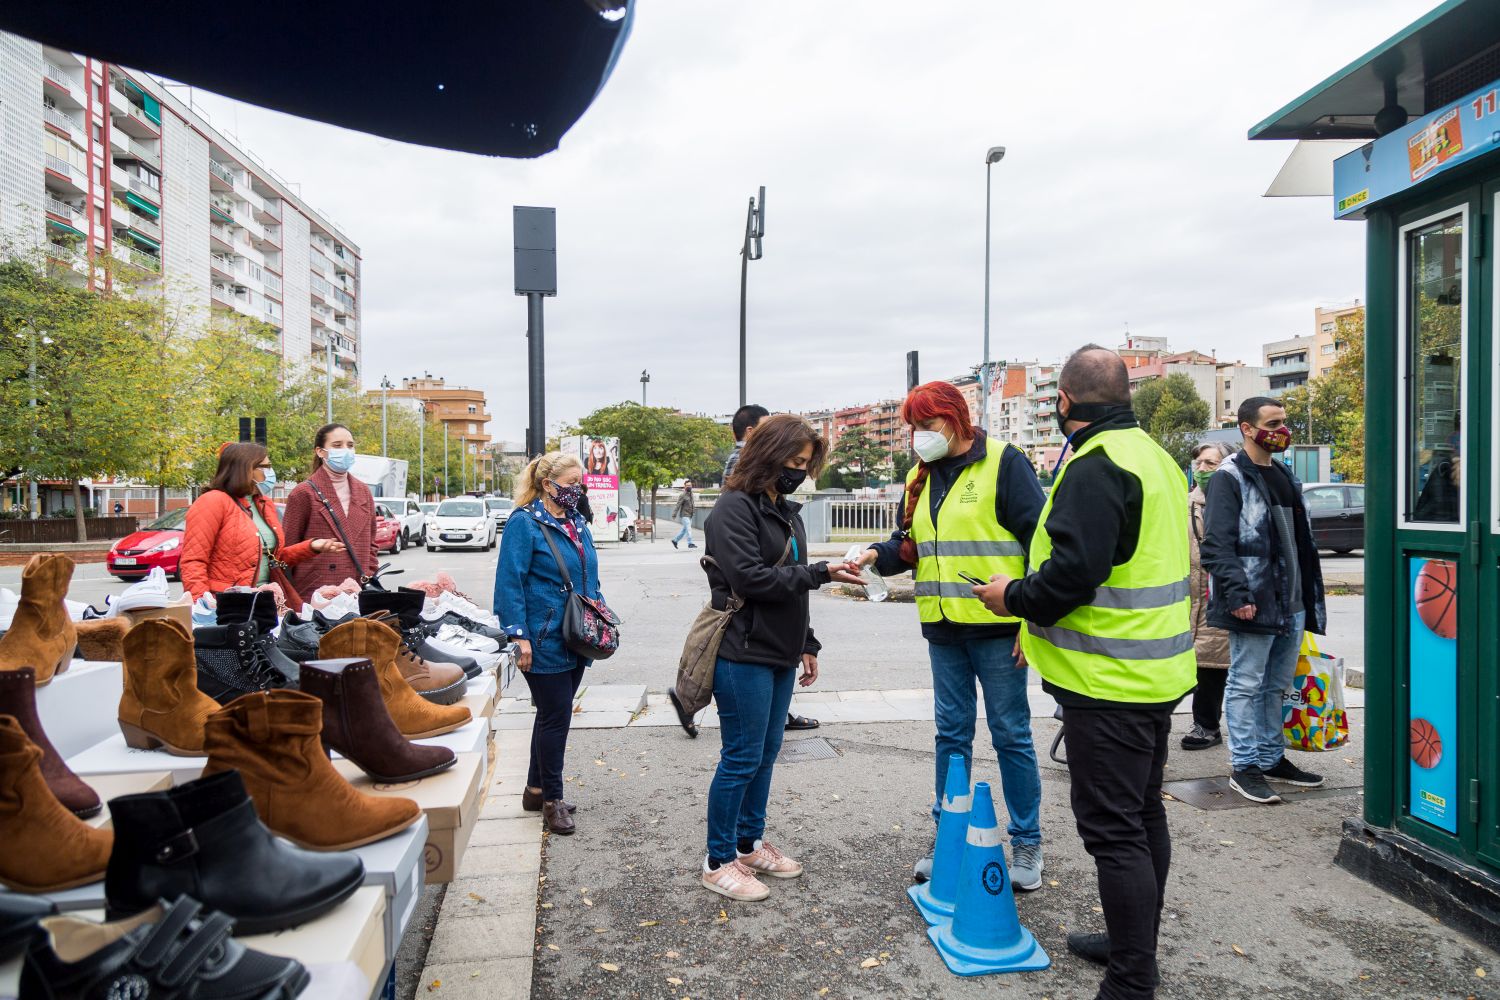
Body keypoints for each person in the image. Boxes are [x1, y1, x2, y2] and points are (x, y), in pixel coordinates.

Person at [973, 346, 1196, 1000]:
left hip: (1108, 685)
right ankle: (1134, 945)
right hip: (1154, 674)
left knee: (1115, 831)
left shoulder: (1097, 465)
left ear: (1064, 401)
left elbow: (1073, 573)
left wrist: (1012, 597)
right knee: (1141, 816)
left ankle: (1131, 979)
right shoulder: (1156, 459)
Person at [855, 380, 1046, 890]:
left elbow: (1040, 543)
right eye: (912, 428)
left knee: (1011, 734)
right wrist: (877, 554)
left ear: (956, 420)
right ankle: (950, 839)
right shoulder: (921, 474)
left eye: (926, 425)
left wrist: (1032, 617)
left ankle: (1027, 841)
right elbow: (913, 544)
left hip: (999, 627)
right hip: (943, 627)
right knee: (951, 736)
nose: (918, 436)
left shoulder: (1005, 462)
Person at [697, 414, 866, 901]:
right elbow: (750, 580)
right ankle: (717, 859)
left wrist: (806, 642)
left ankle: (748, 846)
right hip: (743, 651)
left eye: (806, 464)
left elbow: (790, 582)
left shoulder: (784, 511)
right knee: (741, 757)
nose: (801, 472)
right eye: (794, 462)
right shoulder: (732, 509)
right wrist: (821, 573)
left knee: (767, 754)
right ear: (768, 455)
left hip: (780, 651)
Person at [1200, 398, 1327, 805]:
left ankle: (1272, 759)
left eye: (1284, 422)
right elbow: (1216, 544)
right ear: (1246, 428)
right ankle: (1245, 766)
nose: (1282, 430)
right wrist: (1238, 594)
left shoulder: (1284, 474)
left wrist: (1306, 599)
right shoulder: (1230, 476)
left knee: (1275, 686)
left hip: (1290, 602)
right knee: (1245, 684)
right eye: (1273, 423)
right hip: (1252, 601)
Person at [494, 451, 609, 836]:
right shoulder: (523, 524)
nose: (578, 490)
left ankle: (534, 788)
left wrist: (601, 610)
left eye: (581, 483)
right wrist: (518, 636)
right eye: (572, 483)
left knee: (551, 714)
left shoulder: (577, 522)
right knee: (556, 715)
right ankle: (552, 800)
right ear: (548, 485)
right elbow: (509, 582)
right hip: (542, 637)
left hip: (576, 634)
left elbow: (588, 574)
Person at [181, 443, 343, 601]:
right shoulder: (213, 501)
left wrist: (311, 546)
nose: (271, 472)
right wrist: (203, 604)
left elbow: (274, 558)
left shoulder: (264, 503)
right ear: (246, 469)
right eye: (265, 467)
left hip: (264, 599)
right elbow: (193, 561)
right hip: (227, 603)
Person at [282, 423, 380, 594]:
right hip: (316, 591)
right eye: (337, 445)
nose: (346, 450)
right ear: (320, 451)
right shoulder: (303, 492)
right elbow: (289, 549)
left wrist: (369, 572)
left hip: (358, 587)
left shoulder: (363, 491)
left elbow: (371, 543)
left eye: (350, 445)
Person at [1182, 442, 1235, 751]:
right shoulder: (1184, 503)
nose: (1202, 469)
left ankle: (1206, 725)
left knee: (1212, 666)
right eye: (1199, 463)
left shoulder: (1236, 502)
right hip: (1188, 596)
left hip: (1221, 597)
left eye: (1210, 464)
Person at [722, 403, 770, 483]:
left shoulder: (741, 456)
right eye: (766, 428)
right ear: (750, 431)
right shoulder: (745, 459)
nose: (771, 432)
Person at [670, 482, 696, 549]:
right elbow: (678, 505)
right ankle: (690, 543)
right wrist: (674, 514)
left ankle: (675, 540)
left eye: (690, 485)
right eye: (687, 485)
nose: (689, 486)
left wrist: (693, 512)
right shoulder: (682, 495)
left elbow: (692, 504)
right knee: (688, 529)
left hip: (690, 515)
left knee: (684, 530)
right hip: (684, 515)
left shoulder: (691, 494)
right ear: (684, 487)